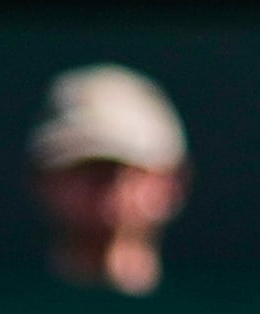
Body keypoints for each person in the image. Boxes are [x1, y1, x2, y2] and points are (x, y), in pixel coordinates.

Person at [29, 63, 190, 295]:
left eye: (123, 171)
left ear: (173, 180)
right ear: (40, 179)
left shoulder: (222, 311)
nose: (105, 188)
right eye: (82, 167)